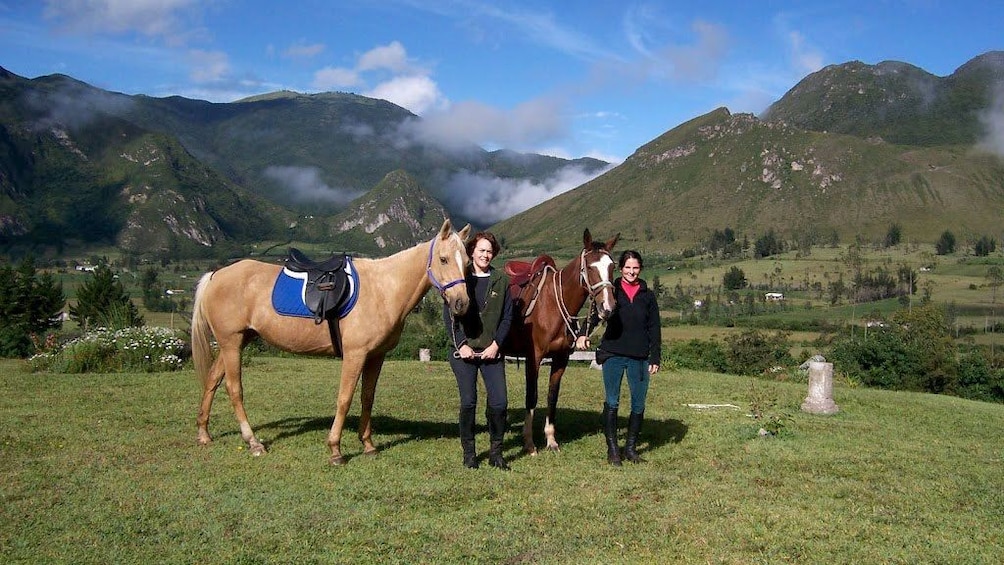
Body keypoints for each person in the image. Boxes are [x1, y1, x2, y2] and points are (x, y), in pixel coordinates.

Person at [576, 250, 661, 466]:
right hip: (613, 354)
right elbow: (594, 315)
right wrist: (582, 334)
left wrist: (655, 357)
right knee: (612, 401)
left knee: (638, 404)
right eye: (627, 268)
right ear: (621, 269)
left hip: (640, 357)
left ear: (640, 269)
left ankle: (631, 449)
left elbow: (654, 328)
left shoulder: (648, 296)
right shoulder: (611, 291)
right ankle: (613, 449)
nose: (631, 272)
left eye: (636, 268)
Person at [444, 231, 515, 470]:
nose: (485, 254)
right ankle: (470, 453)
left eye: (489, 251)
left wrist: (496, 345)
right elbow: (449, 316)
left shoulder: (501, 280)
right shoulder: (461, 277)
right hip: (463, 353)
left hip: (491, 352)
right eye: (481, 250)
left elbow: (507, 318)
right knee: (468, 401)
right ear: (472, 251)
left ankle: (496, 453)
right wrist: (461, 344)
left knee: (499, 402)